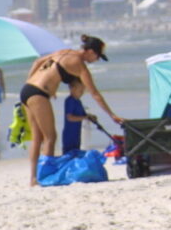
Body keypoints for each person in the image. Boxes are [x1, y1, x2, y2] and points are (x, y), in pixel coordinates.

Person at [21, 34, 122, 186]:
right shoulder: (79, 64)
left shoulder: (64, 51)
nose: (97, 60)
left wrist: (30, 82)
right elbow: (95, 93)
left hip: (27, 90)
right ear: (91, 52)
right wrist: (112, 114)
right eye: (98, 57)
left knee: (38, 138)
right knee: (50, 137)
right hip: (38, 94)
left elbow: (37, 62)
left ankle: (33, 179)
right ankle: (44, 177)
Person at [60, 79, 90, 154]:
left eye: (83, 91)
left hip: (77, 132)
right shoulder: (69, 101)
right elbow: (70, 118)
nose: (82, 93)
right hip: (69, 133)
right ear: (72, 89)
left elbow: (84, 115)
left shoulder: (78, 102)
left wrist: (90, 117)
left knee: (76, 151)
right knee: (68, 153)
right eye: (80, 91)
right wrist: (84, 117)